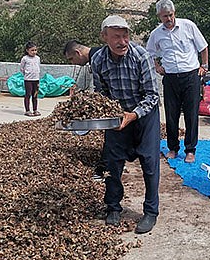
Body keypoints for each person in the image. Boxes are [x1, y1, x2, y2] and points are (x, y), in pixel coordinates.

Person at [63, 15, 161, 234]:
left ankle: (151, 212)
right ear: (104, 37)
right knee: (111, 164)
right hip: (117, 117)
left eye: (125, 36)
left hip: (144, 116)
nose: (122, 41)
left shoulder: (141, 57)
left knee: (149, 163)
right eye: (116, 36)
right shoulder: (98, 61)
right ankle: (113, 208)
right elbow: (102, 93)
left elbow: (152, 95)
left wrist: (132, 115)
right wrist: (98, 114)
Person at [146, 0, 209, 163]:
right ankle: (172, 148)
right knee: (171, 114)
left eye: (171, 15)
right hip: (171, 77)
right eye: (165, 16)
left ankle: (190, 150)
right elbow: (149, 53)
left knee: (191, 114)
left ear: (175, 13)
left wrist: (204, 66)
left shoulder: (188, 26)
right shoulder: (156, 34)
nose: (169, 19)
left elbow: (203, 47)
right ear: (159, 16)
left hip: (190, 76)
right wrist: (157, 67)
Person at [20, 41, 41, 117]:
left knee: (35, 95)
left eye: (35, 50)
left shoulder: (38, 58)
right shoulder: (25, 59)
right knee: (28, 95)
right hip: (28, 80)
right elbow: (22, 68)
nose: (34, 52)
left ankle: (35, 109)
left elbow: (38, 67)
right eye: (32, 50)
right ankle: (27, 110)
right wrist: (27, 74)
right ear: (27, 50)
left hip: (36, 79)